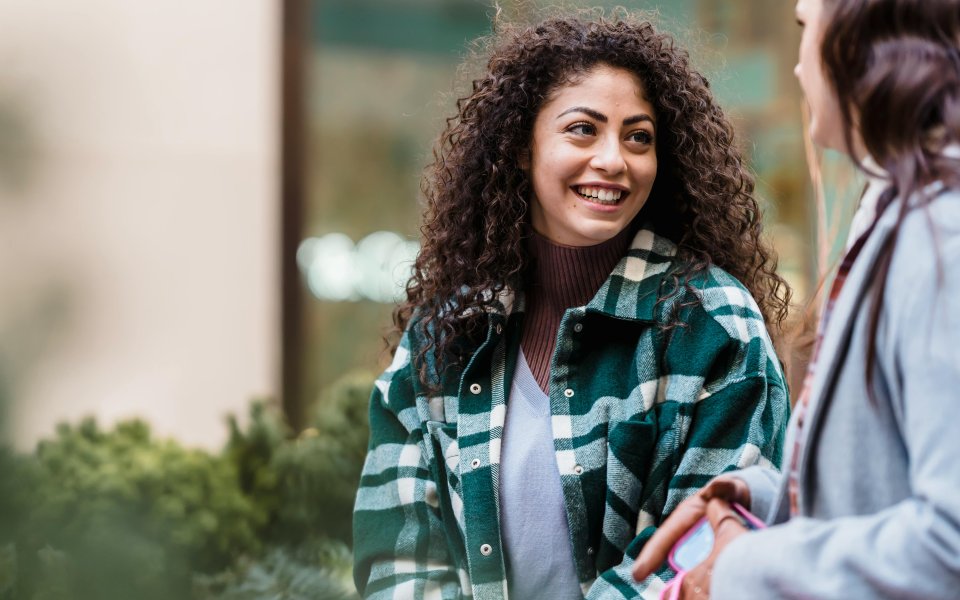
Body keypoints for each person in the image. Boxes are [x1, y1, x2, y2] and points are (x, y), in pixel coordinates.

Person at [352, 13, 792, 600]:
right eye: (582, 129)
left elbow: (702, 554)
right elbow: (396, 553)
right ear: (519, 150)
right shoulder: (445, 332)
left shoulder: (712, 323)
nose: (614, 159)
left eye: (639, 137)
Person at [633, 0, 960, 598]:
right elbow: (888, 473)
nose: (798, 69)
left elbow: (949, 545)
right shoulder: (902, 216)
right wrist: (763, 496)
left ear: (862, 42)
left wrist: (741, 567)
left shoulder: (942, 236)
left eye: (805, 31)